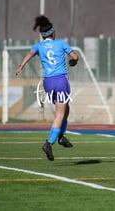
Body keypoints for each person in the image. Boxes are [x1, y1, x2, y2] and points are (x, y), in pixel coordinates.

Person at [15, 15, 79, 161]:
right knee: (60, 115)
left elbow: (29, 54)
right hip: (61, 81)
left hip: (48, 83)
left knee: (65, 108)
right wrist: (73, 61)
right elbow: (75, 57)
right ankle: (49, 142)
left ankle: (61, 136)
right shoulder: (61, 43)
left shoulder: (39, 46)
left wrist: (21, 66)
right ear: (53, 32)